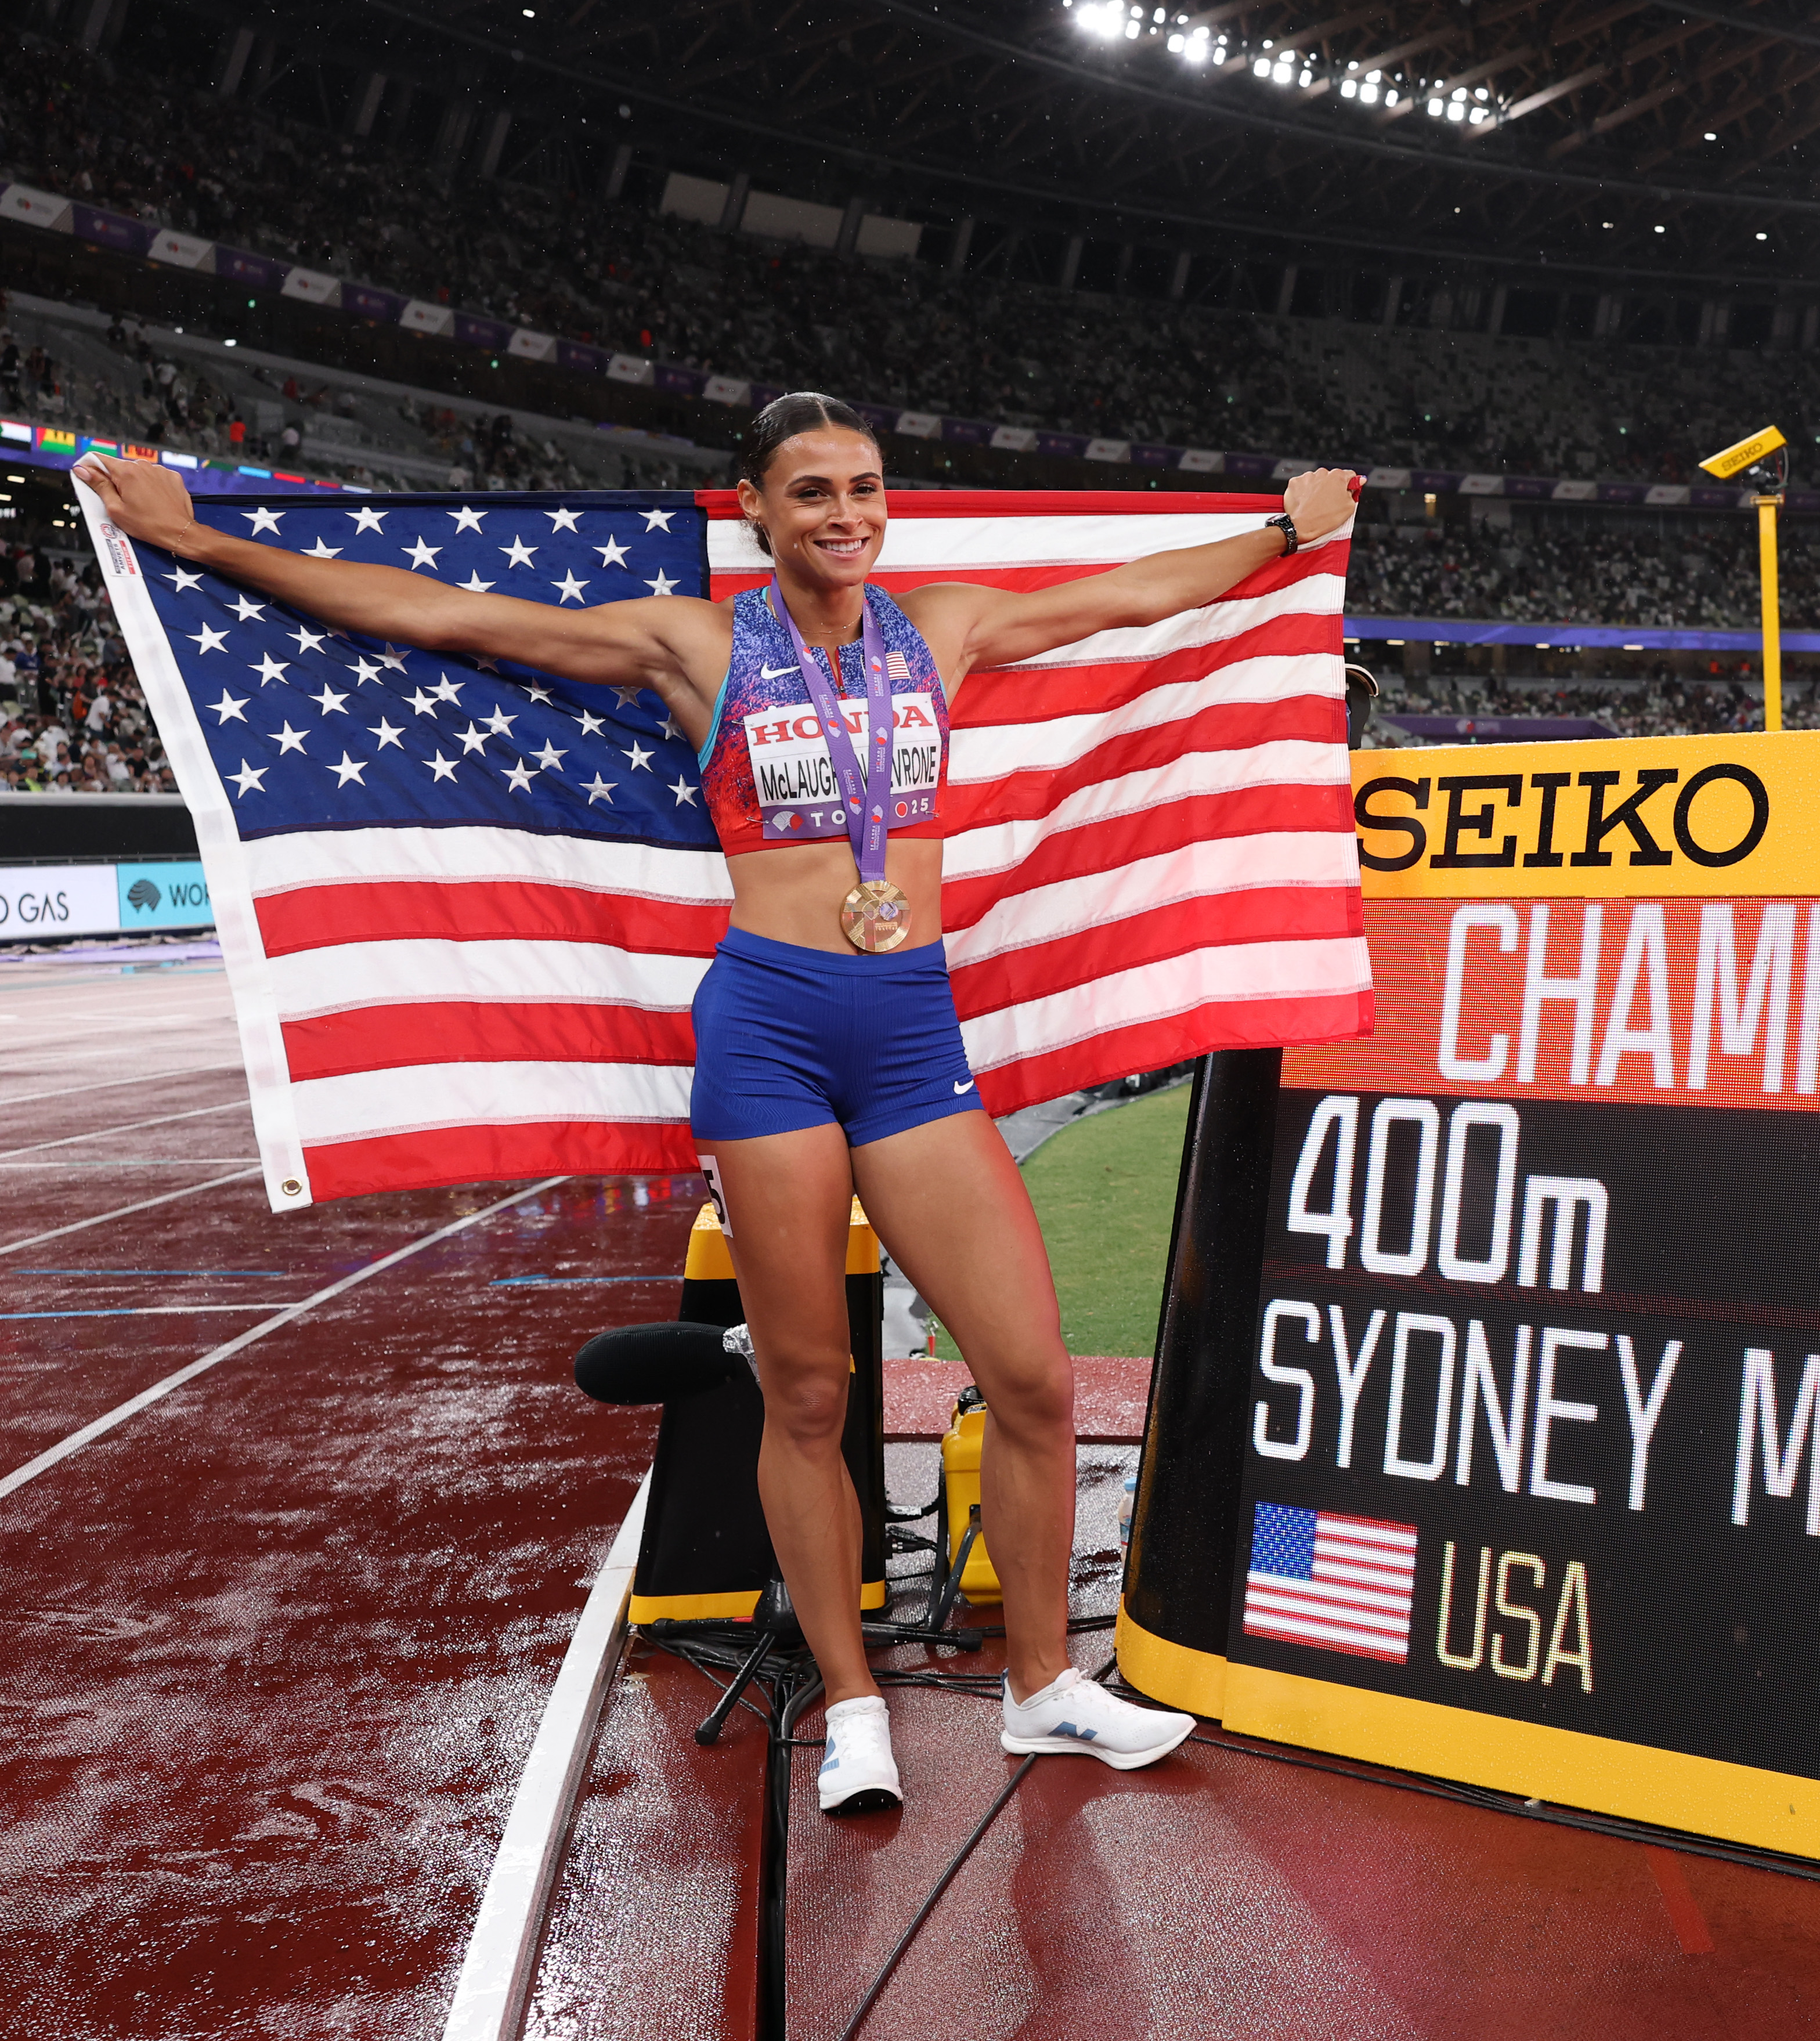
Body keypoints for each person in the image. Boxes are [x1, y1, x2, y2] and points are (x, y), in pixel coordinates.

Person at [80, 400, 1364, 1815]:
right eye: (811, 491)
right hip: (769, 1038)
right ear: (755, 507)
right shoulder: (697, 644)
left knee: (1035, 1379)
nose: (845, 513)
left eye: (864, 487)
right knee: (808, 1391)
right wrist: (200, 540)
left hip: (910, 1033)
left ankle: (1043, 1686)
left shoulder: (943, 626)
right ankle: (853, 1703)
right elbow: (445, 614)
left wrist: (1280, 533)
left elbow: (1127, 596)